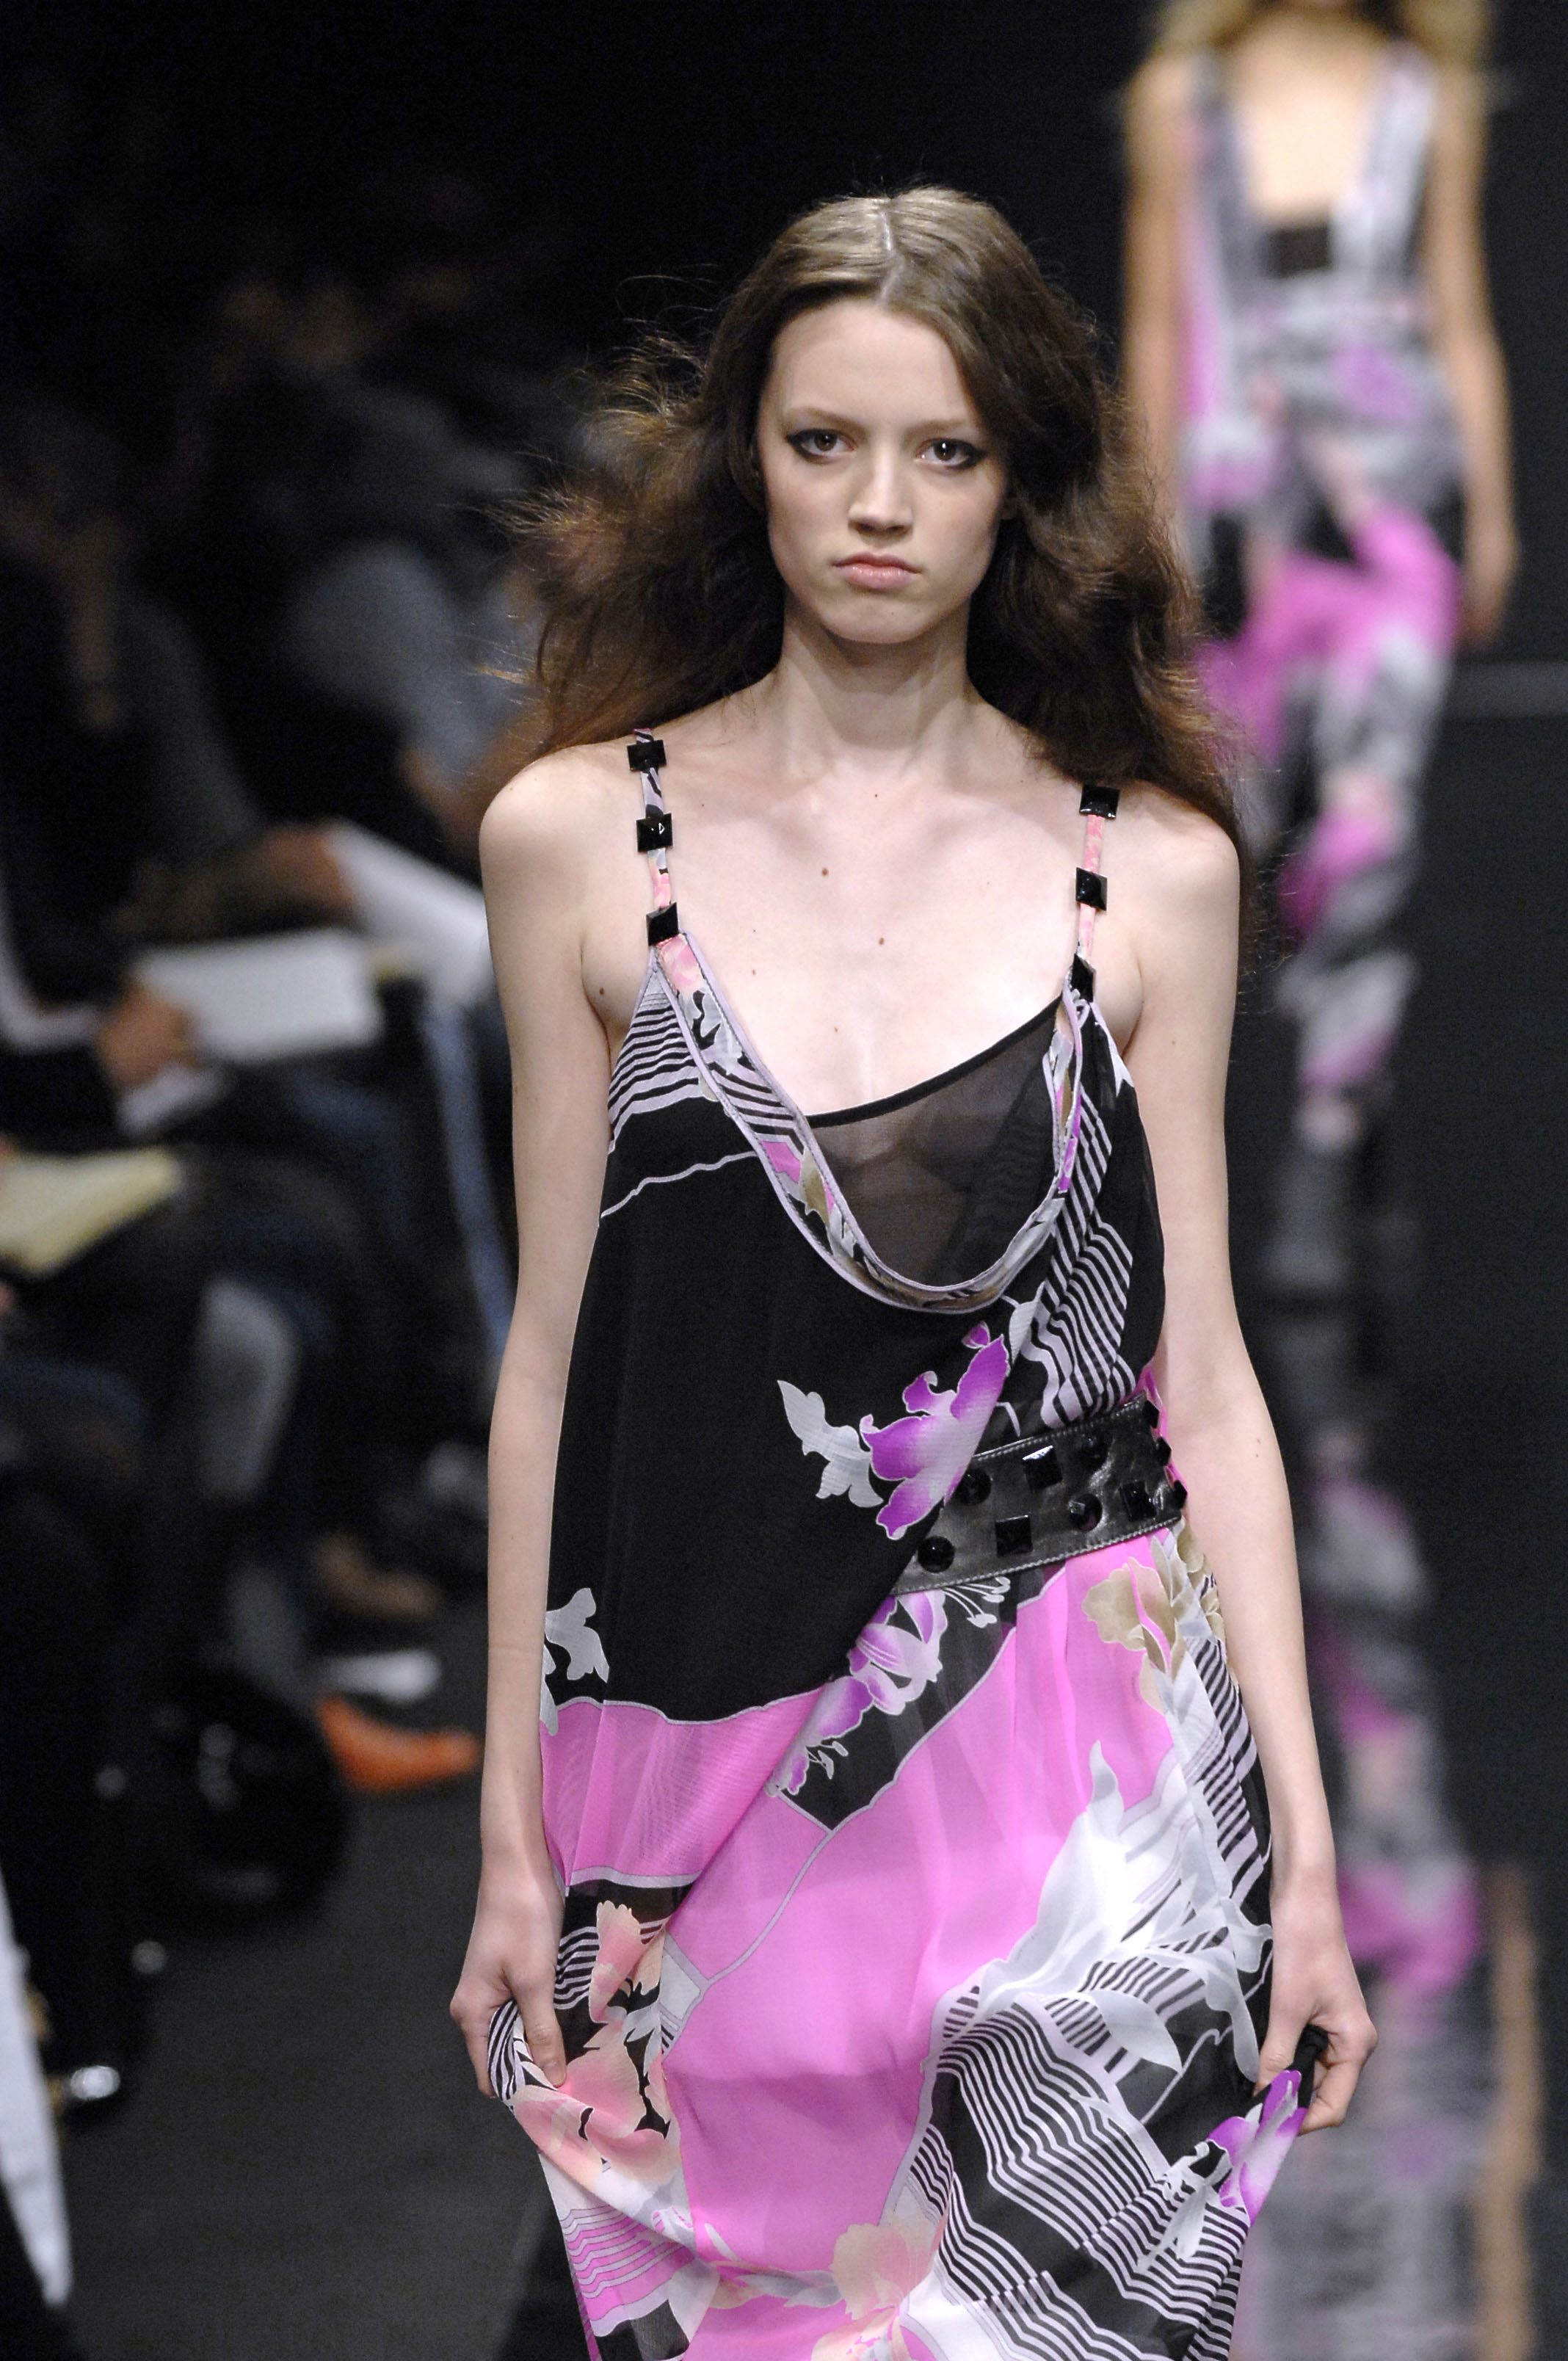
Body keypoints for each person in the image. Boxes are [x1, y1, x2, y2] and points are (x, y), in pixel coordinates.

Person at [451, 188, 1376, 2357]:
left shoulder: (1150, 871)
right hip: (697, 1782)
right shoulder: (573, 841)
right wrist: (506, 1838)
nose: (879, 506)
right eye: (824, 442)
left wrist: (1310, 1859)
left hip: (1091, 1805)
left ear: (1021, 481)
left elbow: (1202, 1384)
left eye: (944, 451)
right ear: (744, 462)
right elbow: (554, 1364)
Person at [1122, 0, 1514, 1316]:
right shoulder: (1183, 99)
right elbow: (1161, 327)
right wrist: (1155, 530)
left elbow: (1456, 308)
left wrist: (1493, 514)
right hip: (1237, 525)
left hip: (1394, 515)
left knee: (1365, 836)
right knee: (1224, 838)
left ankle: (1327, 1159)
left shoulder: (1422, 94)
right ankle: (1188, 1173)